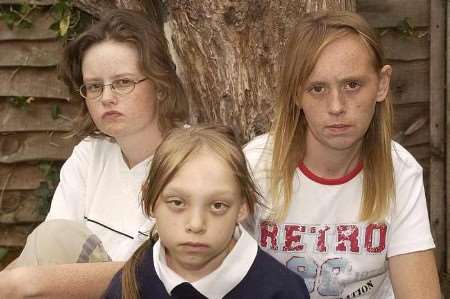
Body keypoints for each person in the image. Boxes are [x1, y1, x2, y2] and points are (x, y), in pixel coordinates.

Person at [243, 10, 441, 299]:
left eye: (352, 85)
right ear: (296, 94)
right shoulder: (254, 166)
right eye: (318, 88)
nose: (336, 106)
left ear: (382, 84)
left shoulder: (398, 170)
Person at [0, 8, 188, 298]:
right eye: (95, 86)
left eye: (123, 82)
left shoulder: (195, 160)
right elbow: (48, 253)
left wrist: (24, 283)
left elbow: (162, 274)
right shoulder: (90, 155)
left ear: (160, 86)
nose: (107, 97)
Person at [102, 124, 309, 299]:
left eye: (217, 206)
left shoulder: (282, 291)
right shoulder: (128, 285)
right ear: (151, 200)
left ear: (243, 207)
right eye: (177, 203)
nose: (196, 224)